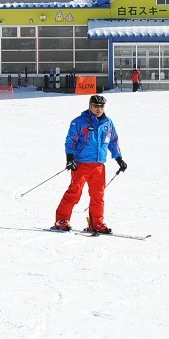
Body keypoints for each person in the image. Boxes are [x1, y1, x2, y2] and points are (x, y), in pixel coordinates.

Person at [52, 94, 126, 234]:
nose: (99, 109)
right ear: (90, 106)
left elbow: (112, 141)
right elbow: (71, 141)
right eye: (96, 106)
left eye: (101, 106)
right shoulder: (79, 122)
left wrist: (119, 159)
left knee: (98, 195)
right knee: (74, 193)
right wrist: (70, 158)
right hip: (81, 164)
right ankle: (61, 220)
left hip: (98, 166)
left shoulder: (107, 123)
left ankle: (96, 223)